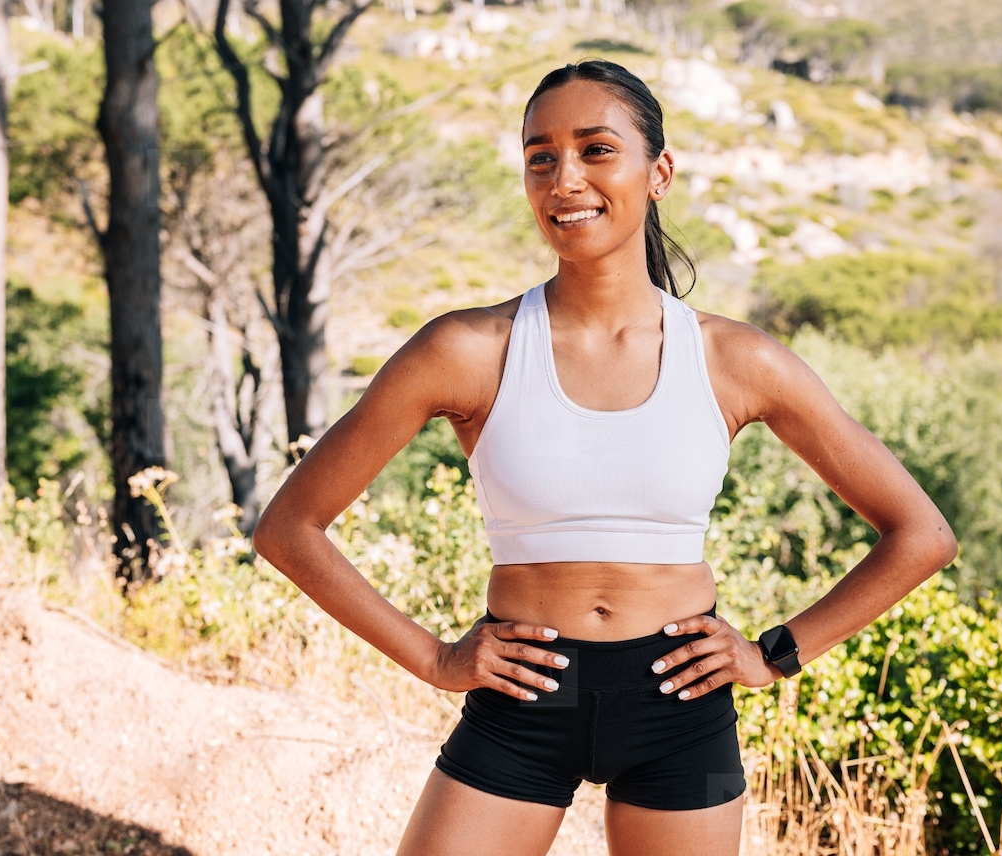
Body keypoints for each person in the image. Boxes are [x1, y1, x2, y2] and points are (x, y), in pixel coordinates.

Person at [251, 59, 958, 856]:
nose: (565, 179)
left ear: (658, 172)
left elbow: (920, 534)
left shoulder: (734, 360)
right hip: (522, 699)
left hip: (678, 708)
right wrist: (435, 658)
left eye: (595, 150)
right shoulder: (467, 350)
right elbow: (290, 529)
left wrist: (773, 654)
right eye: (540, 156)